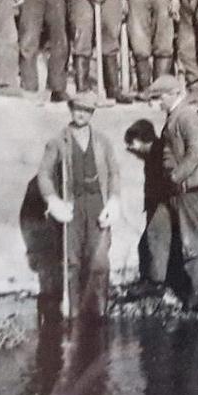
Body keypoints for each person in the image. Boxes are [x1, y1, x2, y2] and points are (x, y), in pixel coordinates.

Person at [33, 91, 121, 318]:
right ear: (71, 110)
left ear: (92, 113)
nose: (81, 114)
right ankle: (72, 313)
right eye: (77, 109)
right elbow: (44, 174)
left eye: (86, 110)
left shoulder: (102, 141)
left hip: (97, 204)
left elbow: (113, 173)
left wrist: (114, 199)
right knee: (71, 261)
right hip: (72, 206)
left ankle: (98, 312)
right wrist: (53, 200)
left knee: (99, 261)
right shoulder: (58, 141)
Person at [148, 74, 198, 310]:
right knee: (166, 231)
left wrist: (176, 177)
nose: (155, 103)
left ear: (173, 95)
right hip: (181, 187)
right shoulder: (176, 116)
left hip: (190, 187)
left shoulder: (186, 116)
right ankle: (169, 283)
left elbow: (196, 152)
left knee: (192, 238)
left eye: (158, 98)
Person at [124, 118, 182, 307]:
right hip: (156, 205)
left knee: (154, 241)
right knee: (148, 244)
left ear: (143, 140)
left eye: (131, 145)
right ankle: (151, 279)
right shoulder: (152, 154)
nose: (130, 150)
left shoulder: (159, 154)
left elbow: (164, 183)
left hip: (162, 205)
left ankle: (155, 282)